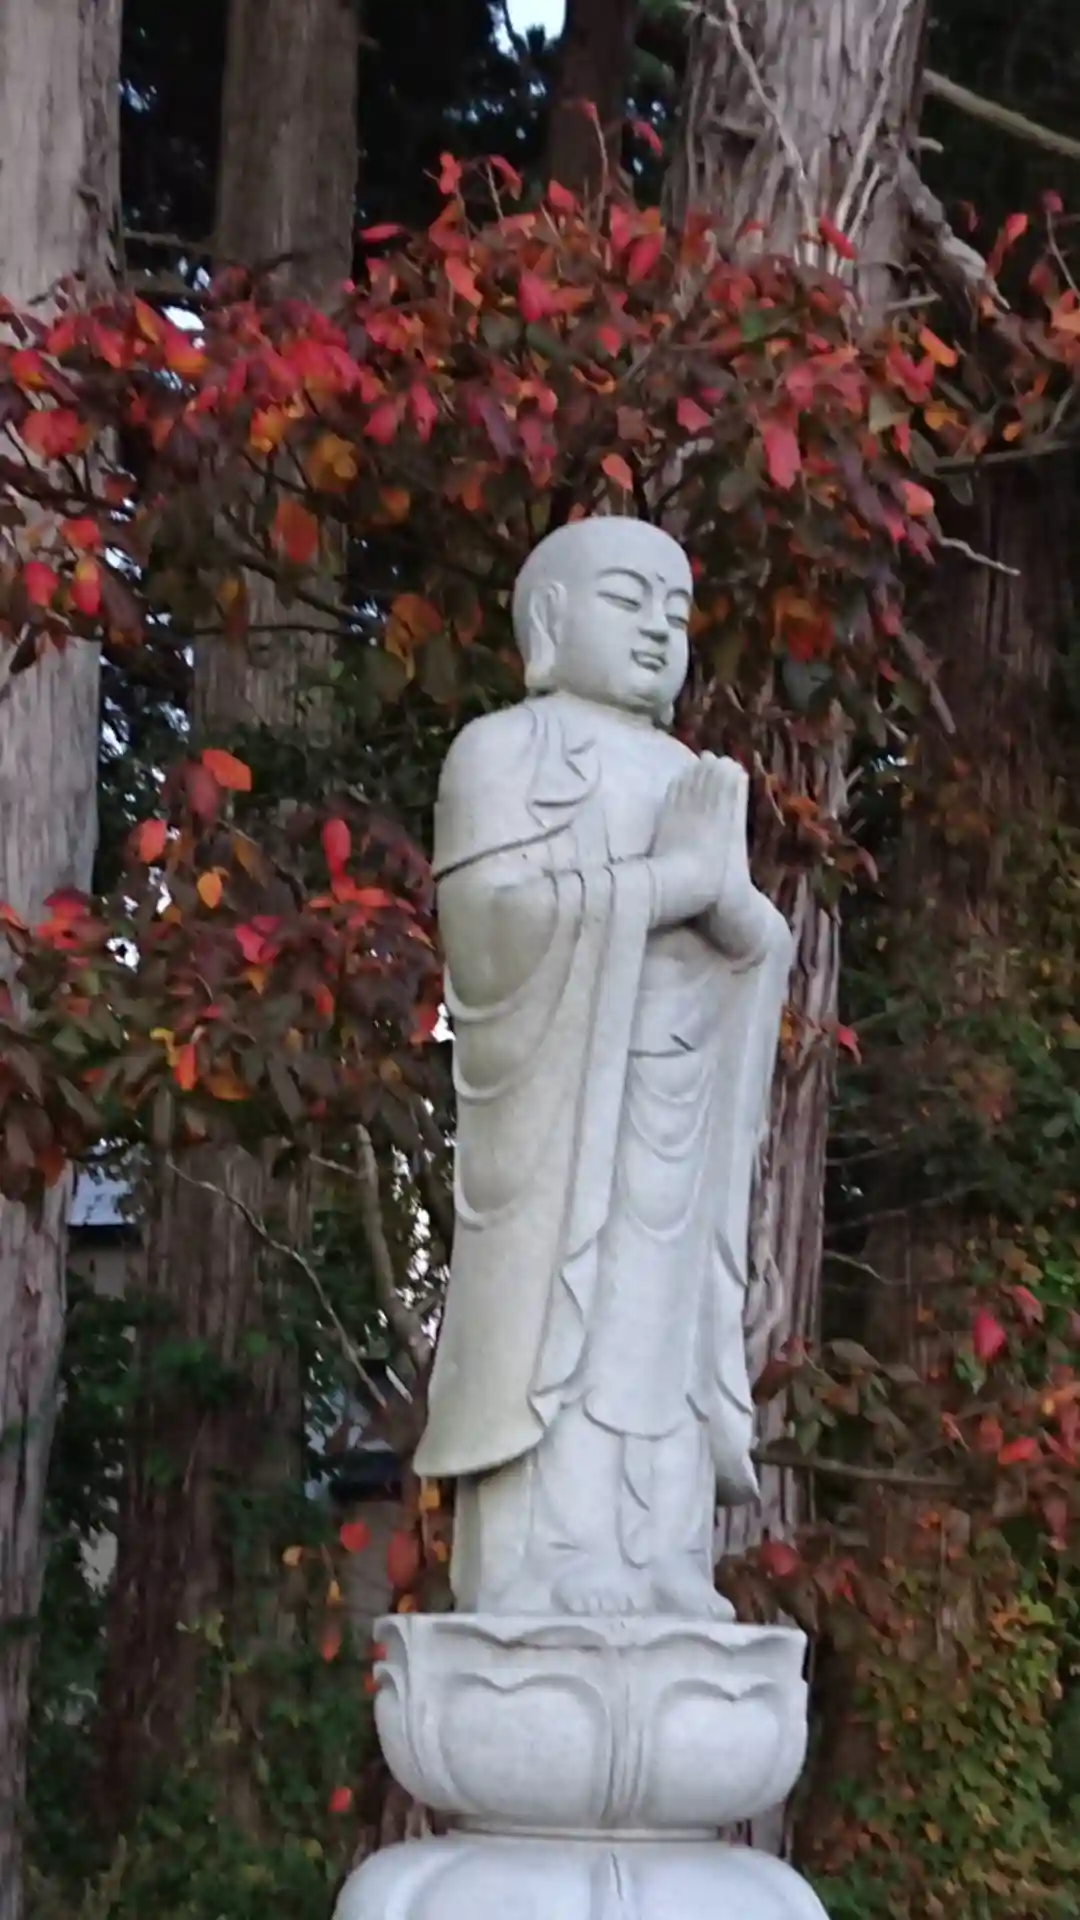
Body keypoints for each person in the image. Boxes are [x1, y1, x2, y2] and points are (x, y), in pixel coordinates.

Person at [414, 516, 793, 1618]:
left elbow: (747, 939)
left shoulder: (686, 774)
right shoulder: (503, 752)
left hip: (676, 1104)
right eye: (628, 601)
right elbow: (488, 929)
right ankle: (547, 1560)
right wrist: (669, 886)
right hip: (559, 1110)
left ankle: (662, 1552)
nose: (659, 630)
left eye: (677, 613)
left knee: (660, 1326)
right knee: (564, 1320)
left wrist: (735, 910)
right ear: (549, 620)